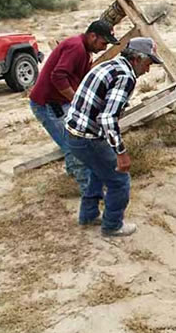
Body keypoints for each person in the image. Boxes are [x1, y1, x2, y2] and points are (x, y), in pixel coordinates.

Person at [65, 37, 162, 237]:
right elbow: (108, 118)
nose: (148, 69)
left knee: (97, 171)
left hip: (73, 134)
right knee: (119, 180)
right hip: (88, 137)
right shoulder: (126, 76)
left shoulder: (110, 65)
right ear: (136, 58)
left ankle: (89, 215)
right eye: (148, 63)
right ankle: (112, 225)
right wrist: (121, 152)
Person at [29, 20, 118, 194]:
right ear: (93, 36)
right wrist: (77, 102)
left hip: (59, 102)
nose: (104, 47)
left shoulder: (85, 51)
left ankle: (75, 178)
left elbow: (79, 80)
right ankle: (89, 192)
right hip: (47, 105)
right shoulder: (76, 47)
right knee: (73, 147)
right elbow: (58, 76)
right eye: (103, 43)